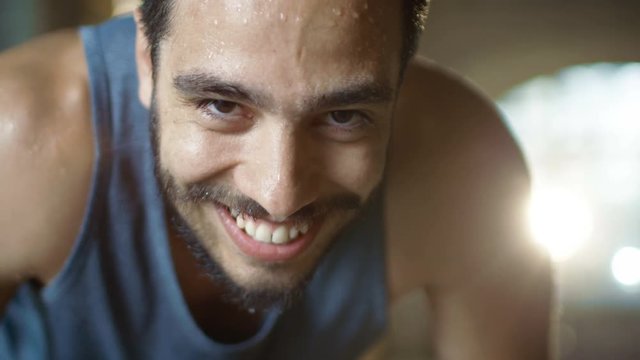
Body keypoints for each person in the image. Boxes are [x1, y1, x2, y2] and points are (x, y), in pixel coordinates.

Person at [0, 0, 552, 358]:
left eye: (343, 117)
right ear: (147, 59)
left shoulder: (467, 174)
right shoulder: (21, 140)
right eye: (221, 105)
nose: (279, 194)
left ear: (400, 78)